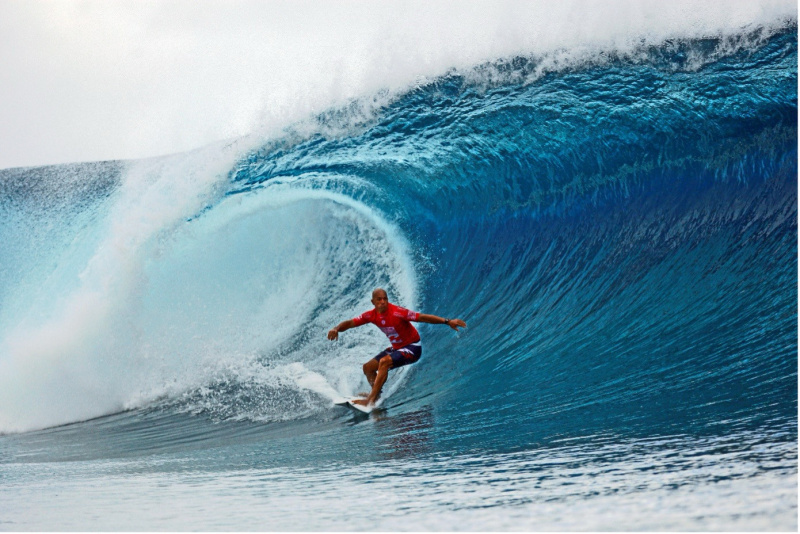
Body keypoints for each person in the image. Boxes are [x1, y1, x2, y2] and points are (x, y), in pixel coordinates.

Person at [327, 288, 467, 407]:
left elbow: (423, 317)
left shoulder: (398, 312)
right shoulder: (371, 315)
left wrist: (447, 321)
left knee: (384, 362)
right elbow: (351, 323)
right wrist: (336, 328)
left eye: (385, 299)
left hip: (413, 348)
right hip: (397, 347)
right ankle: (376, 394)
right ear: (373, 302)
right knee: (368, 368)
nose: (382, 302)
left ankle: (370, 399)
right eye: (379, 299)